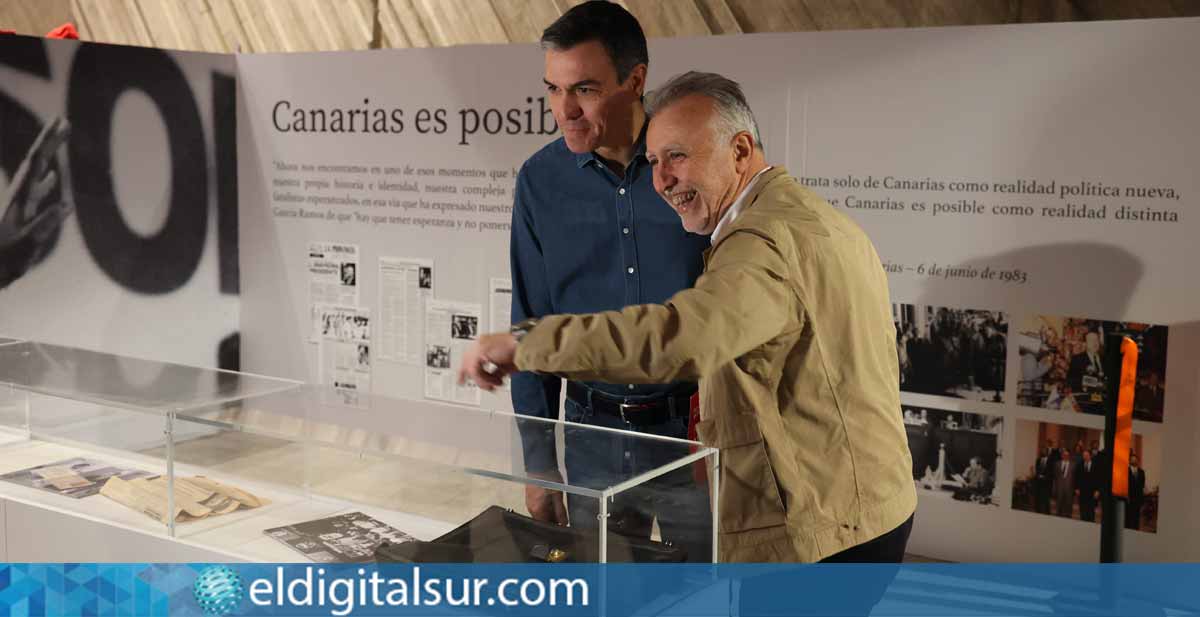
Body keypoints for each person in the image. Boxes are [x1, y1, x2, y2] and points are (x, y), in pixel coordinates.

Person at [463, 71, 916, 563]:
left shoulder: (761, 245)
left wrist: (529, 345)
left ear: (740, 151)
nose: (660, 181)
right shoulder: (812, 217)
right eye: (653, 161)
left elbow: (680, 338)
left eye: (677, 156)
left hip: (825, 534)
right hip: (867, 507)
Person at [507, 1, 712, 561]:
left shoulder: (695, 168)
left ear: (636, 80)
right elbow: (533, 328)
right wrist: (539, 462)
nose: (563, 110)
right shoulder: (539, 182)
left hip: (692, 437)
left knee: (699, 596)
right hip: (590, 434)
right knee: (601, 595)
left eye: (585, 90)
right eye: (553, 89)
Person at [1075, 449, 1099, 522]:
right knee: (1083, 511)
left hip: (1092, 492)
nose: (1085, 457)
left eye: (1086, 455)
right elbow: (1077, 478)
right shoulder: (1080, 465)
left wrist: (1098, 491)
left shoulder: (1096, 465)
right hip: (1082, 491)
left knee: (1091, 511)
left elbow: (1099, 479)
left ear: (1090, 456)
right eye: (1084, 455)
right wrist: (1077, 488)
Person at [1126, 452, 1146, 530]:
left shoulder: (1141, 472)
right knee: (1128, 518)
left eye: (1135, 460)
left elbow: (1142, 485)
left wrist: (1142, 498)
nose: (1134, 461)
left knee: (1136, 518)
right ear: (1130, 461)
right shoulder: (1126, 471)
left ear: (1138, 461)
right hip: (1129, 498)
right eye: (1132, 460)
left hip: (1137, 498)